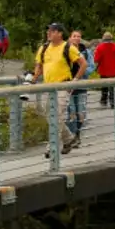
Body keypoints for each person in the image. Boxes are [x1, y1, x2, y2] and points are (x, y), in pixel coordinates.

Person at [33, 23, 84, 154]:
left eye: (52, 31)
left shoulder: (68, 47)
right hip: (48, 87)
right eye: (48, 31)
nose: (48, 33)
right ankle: (68, 139)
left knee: (58, 114)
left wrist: (75, 81)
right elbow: (39, 65)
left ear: (60, 33)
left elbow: (83, 64)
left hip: (63, 86)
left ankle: (52, 145)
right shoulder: (43, 48)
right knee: (48, 114)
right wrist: (33, 78)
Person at [68, 30, 95, 142]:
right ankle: (72, 136)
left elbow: (91, 67)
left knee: (81, 112)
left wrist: (82, 71)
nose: (77, 38)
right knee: (71, 111)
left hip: (81, 85)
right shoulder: (66, 50)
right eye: (74, 36)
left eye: (79, 36)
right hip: (69, 86)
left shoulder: (86, 51)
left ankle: (78, 134)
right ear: (70, 38)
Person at [93, 31, 115, 107]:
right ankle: (113, 102)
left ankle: (103, 101)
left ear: (103, 39)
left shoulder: (100, 47)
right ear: (112, 38)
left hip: (103, 71)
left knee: (104, 86)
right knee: (112, 86)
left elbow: (96, 60)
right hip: (113, 71)